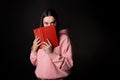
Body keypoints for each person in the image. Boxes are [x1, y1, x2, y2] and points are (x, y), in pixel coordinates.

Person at [30, 8, 73, 80]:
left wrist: (51, 53)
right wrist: (34, 50)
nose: (49, 26)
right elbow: (35, 63)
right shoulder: (39, 38)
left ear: (57, 22)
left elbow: (68, 65)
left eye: (53, 22)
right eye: (46, 23)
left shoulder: (64, 39)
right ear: (42, 24)